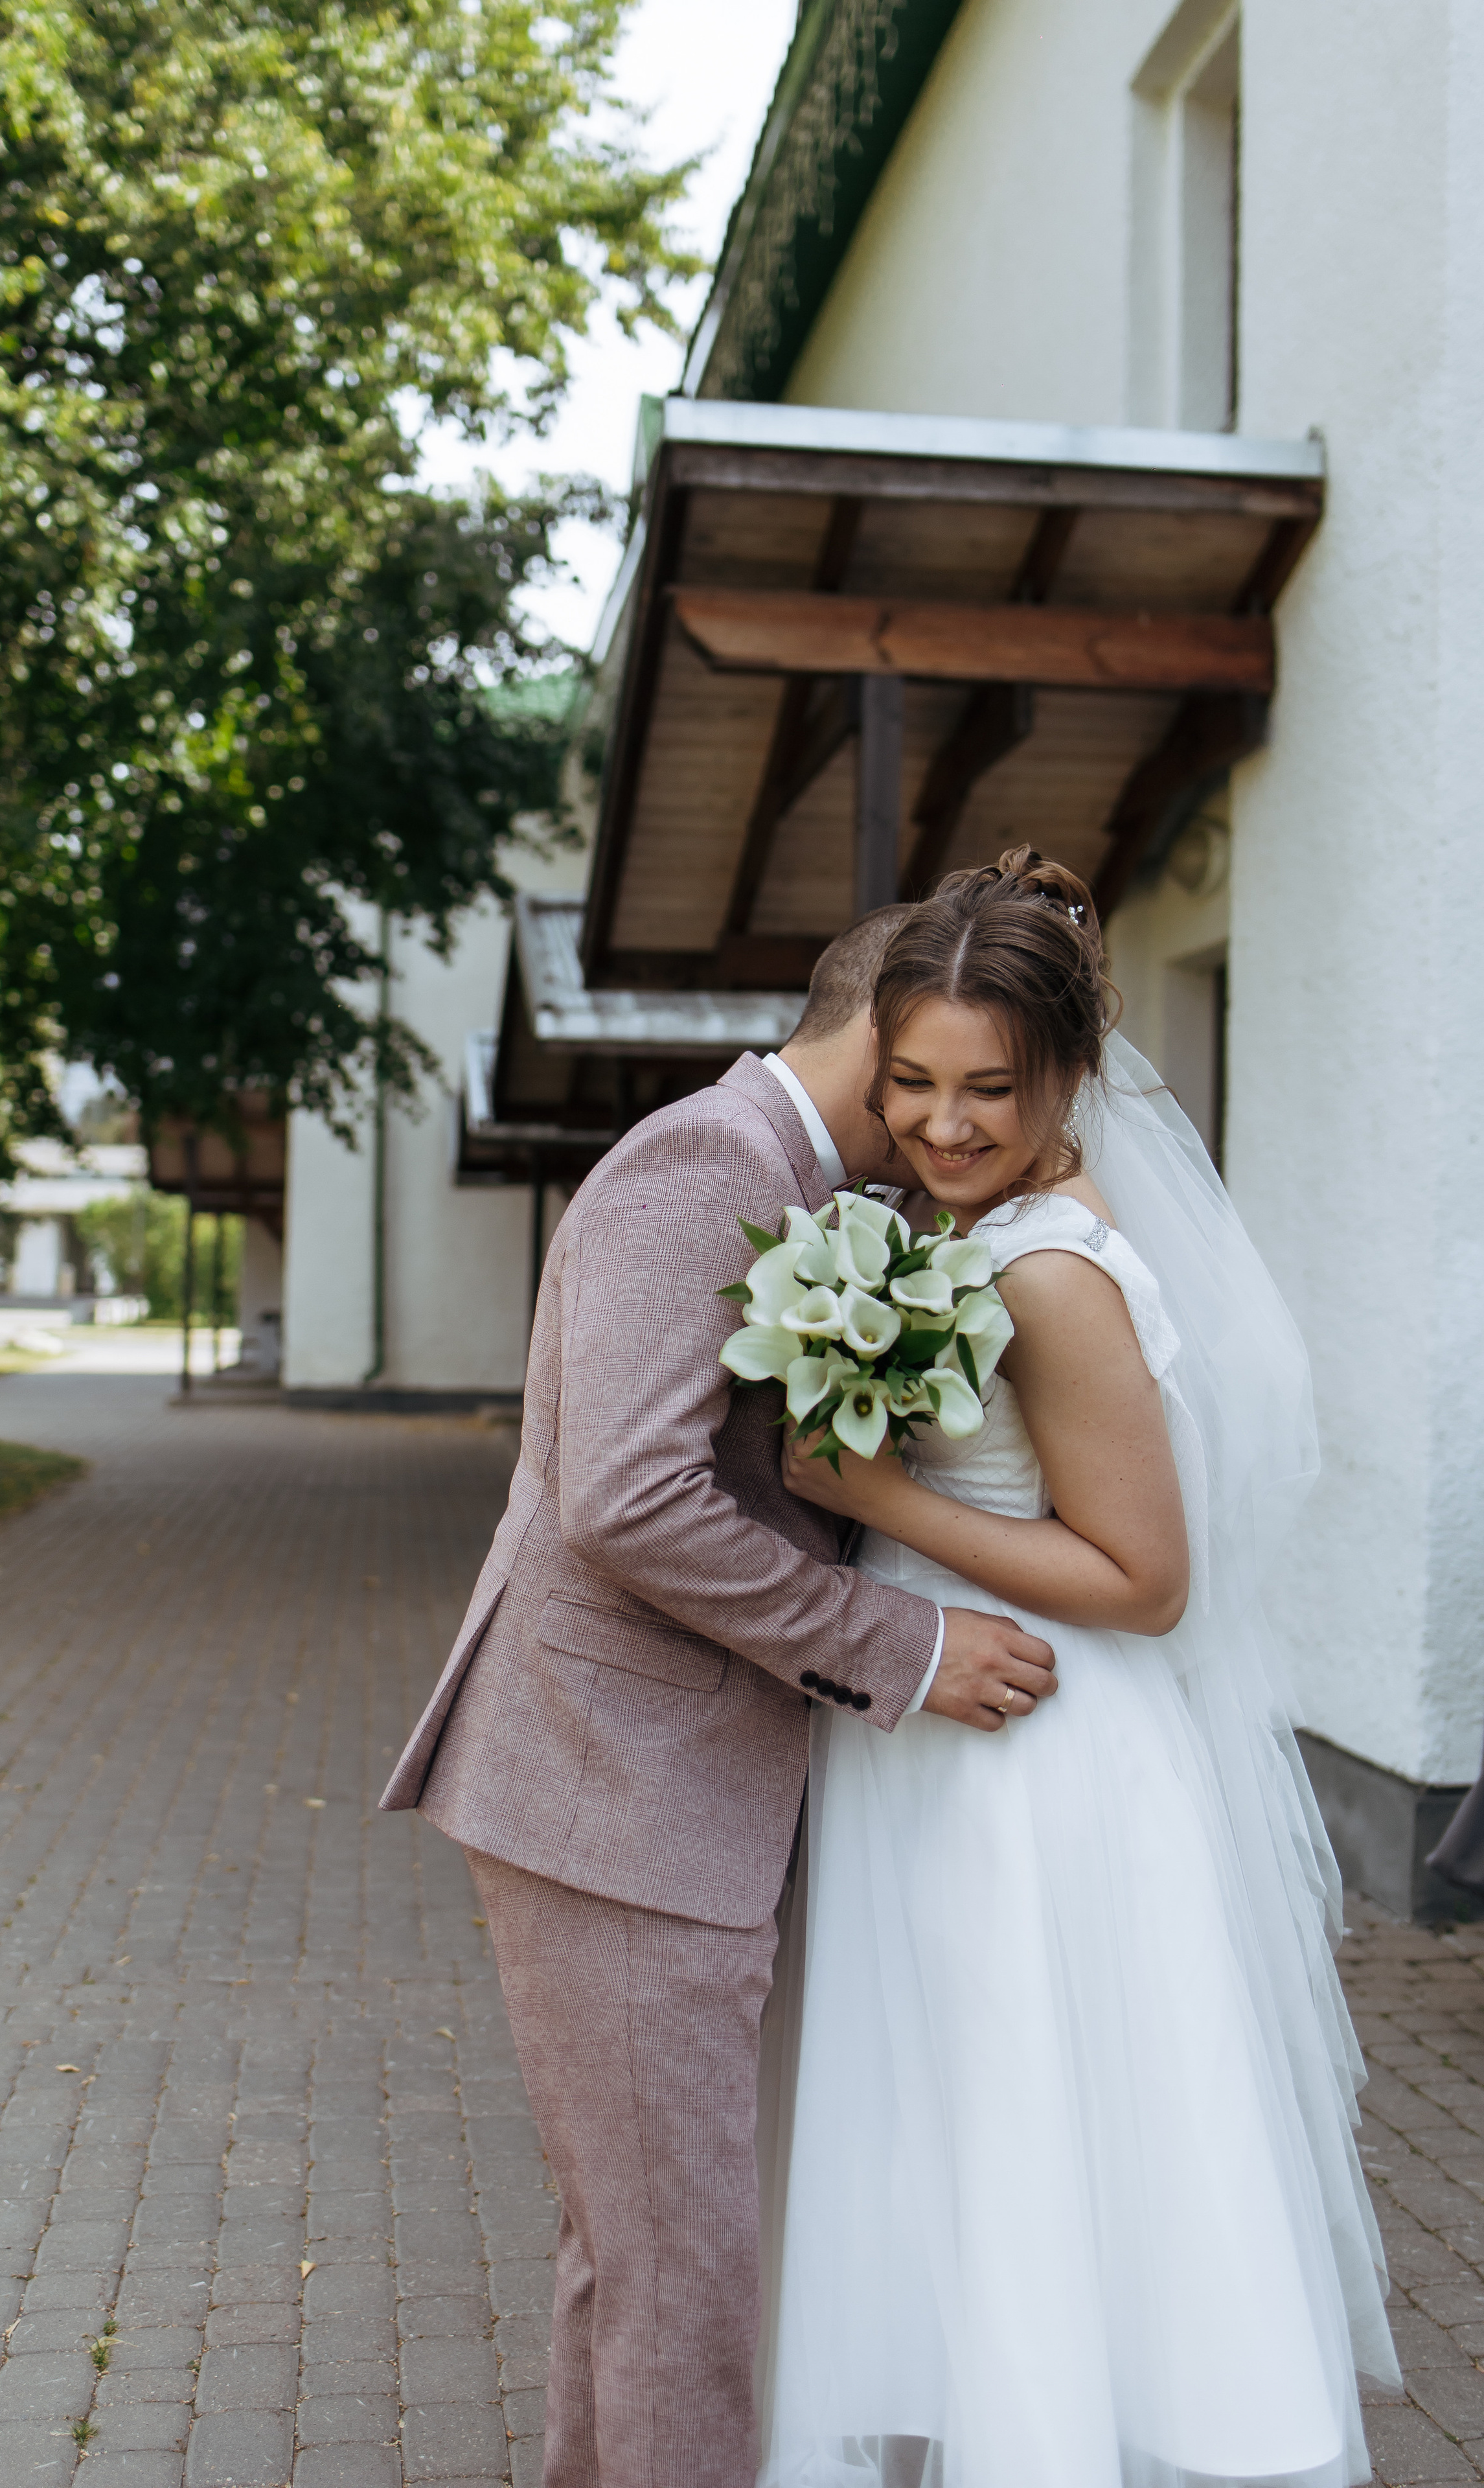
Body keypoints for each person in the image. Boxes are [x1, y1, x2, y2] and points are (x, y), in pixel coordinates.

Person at [379, 905, 1060, 2488]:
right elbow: (626, 1501)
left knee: (637, 2260)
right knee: (679, 2283)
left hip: (662, 1789)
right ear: (882, 1030)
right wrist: (899, 1647)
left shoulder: (809, 1185)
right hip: (614, 1789)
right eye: (928, 1075)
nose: (944, 1121)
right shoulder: (705, 1167)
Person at [757, 849, 1398, 2488]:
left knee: (1020, 2127)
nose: (941, 1123)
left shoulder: (1043, 1268)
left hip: (1028, 1754)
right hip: (940, 1736)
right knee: (970, 2134)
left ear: (1064, 1079)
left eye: (989, 1088)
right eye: (912, 1081)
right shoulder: (967, 1226)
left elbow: (1145, 1580)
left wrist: (873, 1494)